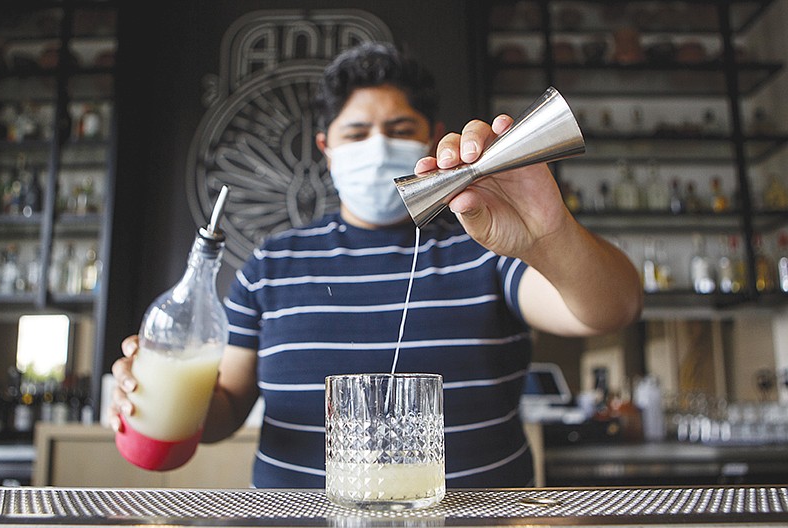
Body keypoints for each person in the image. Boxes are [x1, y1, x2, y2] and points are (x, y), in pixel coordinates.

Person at [111, 42, 642, 488]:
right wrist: (161, 393)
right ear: (326, 148)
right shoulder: (270, 266)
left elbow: (611, 308)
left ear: (431, 135)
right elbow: (222, 412)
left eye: (398, 127)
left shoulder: (488, 249)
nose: (377, 144)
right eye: (357, 132)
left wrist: (548, 233)